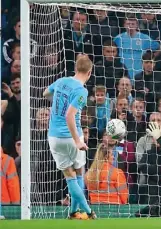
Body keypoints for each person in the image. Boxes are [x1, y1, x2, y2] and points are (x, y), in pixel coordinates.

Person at [42, 55, 96, 220]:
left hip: (54, 137)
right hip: (72, 136)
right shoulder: (81, 90)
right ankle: (88, 211)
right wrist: (78, 141)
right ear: (89, 72)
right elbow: (69, 116)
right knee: (79, 172)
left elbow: (45, 94)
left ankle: (73, 213)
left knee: (70, 176)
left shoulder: (62, 81)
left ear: (75, 69)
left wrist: (58, 102)